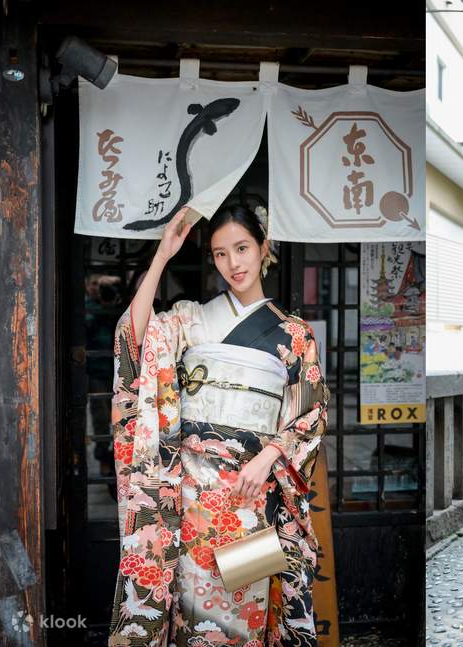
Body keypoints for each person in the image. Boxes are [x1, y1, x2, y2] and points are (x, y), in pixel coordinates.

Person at [107, 207, 330, 645]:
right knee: (197, 618)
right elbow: (134, 341)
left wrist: (268, 458)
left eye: (243, 248)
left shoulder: (295, 335)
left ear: (264, 249)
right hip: (193, 496)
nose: (234, 263)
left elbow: (311, 414)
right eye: (221, 253)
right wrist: (162, 256)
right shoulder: (192, 321)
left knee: (243, 615)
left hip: (252, 498)